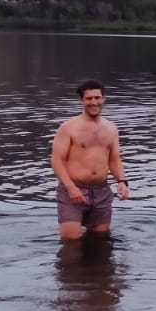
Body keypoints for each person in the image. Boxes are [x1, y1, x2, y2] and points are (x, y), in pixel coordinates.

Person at [51, 80, 129, 241]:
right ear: (81, 101)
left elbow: (114, 158)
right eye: (89, 99)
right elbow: (57, 161)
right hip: (73, 191)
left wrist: (121, 181)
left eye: (97, 98)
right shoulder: (68, 128)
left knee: (99, 243)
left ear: (103, 99)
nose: (94, 102)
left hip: (101, 191)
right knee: (70, 243)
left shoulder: (111, 128)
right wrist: (71, 187)